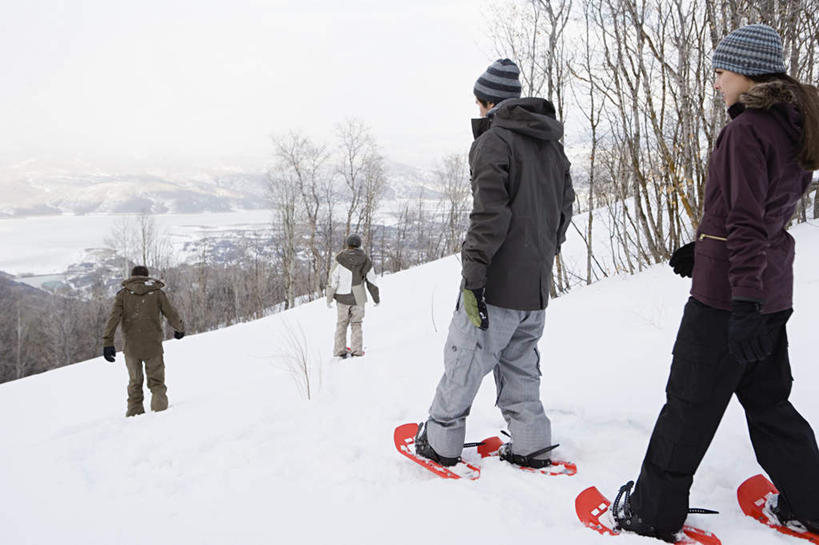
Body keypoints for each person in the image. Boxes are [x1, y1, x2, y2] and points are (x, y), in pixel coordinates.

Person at [614, 24, 819, 542]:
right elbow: (760, 213)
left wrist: (742, 303)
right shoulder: (795, 124)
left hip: (730, 300)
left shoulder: (746, 130)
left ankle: (651, 513)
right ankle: (813, 503)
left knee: (689, 402)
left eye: (722, 72)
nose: (717, 83)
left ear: (747, 73)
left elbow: (748, 223)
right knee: (769, 402)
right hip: (770, 291)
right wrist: (703, 243)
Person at [415, 58, 575, 468]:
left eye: (477, 103)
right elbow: (564, 209)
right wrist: (544, 257)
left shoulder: (495, 142)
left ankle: (441, 441)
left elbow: (490, 216)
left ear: (488, 103)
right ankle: (531, 443)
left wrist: (473, 276)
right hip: (535, 288)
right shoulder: (551, 146)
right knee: (520, 364)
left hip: (497, 284)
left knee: (465, 357)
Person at [102, 265, 185, 417]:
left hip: (131, 347)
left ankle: (134, 416)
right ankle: (161, 415)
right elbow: (171, 313)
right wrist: (179, 328)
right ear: (146, 277)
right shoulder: (157, 293)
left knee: (135, 382)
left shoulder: (123, 295)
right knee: (157, 383)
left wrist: (108, 342)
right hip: (153, 345)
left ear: (132, 276)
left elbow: (113, 318)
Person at [325, 234, 380, 358]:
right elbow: (371, 281)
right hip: (358, 296)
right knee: (357, 323)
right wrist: (376, 298)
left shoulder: (340, 259)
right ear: (359, 245)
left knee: (341, 324)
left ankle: (340, 350)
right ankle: (357, 351)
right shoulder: (365, 259)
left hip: (342, 297)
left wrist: (329, 297)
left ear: (348, 244)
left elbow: (333, 280)